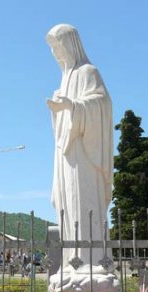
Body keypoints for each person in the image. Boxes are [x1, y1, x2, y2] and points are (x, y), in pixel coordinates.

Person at [45, 24, 113, 270]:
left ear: (70, 44)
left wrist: (72, 106)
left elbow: (101, 104)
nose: (55, 53)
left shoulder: (88, 72)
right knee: (66, 206)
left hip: (84, 153)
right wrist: (60, 109)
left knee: (84, 205)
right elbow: (62, 121)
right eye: (52, 48)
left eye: (57, 46)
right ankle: (71, 263)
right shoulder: (64, 78)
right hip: (65, 154)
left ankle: (92, 263)